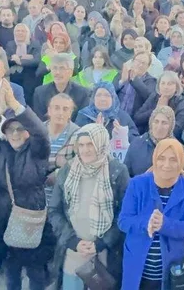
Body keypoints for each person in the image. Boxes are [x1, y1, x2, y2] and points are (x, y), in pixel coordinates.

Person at [0, 80, 55, 290]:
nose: (16, 134)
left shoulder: (38, 151)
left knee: (34, 266)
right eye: (11, 130)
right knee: (11, 266)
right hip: (2, 213)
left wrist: (16, 105)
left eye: (20, 129)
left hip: (30, 213)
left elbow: (41, 133)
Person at [49, 123, 130, 289]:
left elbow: (124, 214)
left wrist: (101, 243)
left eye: (90, 144)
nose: (85, 150)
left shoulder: (117, 171)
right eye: (81, 145)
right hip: (73, 251)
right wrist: (73, 241)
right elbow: (54, 211)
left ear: (100, 144)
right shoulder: (68, 170)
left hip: (103, 254)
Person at [118, 138, 184, 290]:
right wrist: (145, 222)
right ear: (154, 158)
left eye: (173, 159)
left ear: (181, 161)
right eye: (161, 158)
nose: (166, 165)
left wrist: (165, 224)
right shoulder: (137, 184)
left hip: (170, 271)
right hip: (138, 269)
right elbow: (123, 221)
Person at [133, 71, 184, 141]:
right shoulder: (154, 97)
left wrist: (164, 111)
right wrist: (155, 110)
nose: (165, 87)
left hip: (168, 141)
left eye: (170, 84)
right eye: (163, 83)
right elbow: (137, 119)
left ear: (176, 87)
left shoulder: (183, 105)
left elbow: (176, 131)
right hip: (146, 138)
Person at [74, 81, 139, 141]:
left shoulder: (122, 116)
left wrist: (123, 134)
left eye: (107, 95)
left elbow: (136, 140)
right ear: (93, 98)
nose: (102, 99)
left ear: (113, 98)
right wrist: (95, 131)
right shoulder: (84, 115)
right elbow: (76, 139)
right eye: (99, 95)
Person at [32, 54, 90, 121]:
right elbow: (39, 122)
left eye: (62, 68)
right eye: (54, 68)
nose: (57, 72)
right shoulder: (40, 92)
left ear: (71, 72)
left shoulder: (82, 93)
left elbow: (81, 121)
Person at [125, 106, 176, 178]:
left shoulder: (176, 148)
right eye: (156, 121)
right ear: (151, 122)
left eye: (164, 123)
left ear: (171, 126)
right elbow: (126, 175)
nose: (159, 127)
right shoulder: (137, 144)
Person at [114, 52, 157, 116]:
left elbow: (148, 97)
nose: (140, 65)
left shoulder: (151, 81)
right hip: (116, 115)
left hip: (134, 119)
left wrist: (134, 78)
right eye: (138, 61)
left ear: (148, 67)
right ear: (132, 62)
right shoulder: (122, 74)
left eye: (143, 63)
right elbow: (110, 91)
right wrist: (122, 81)